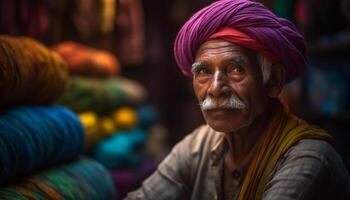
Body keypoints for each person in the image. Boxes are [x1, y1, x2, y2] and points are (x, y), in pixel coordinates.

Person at [126, 0, 350, 199]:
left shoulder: (308, 158)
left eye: (235, 69)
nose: (215, 89)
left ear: (274, 81)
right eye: (203, 71)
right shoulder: (199, 144)